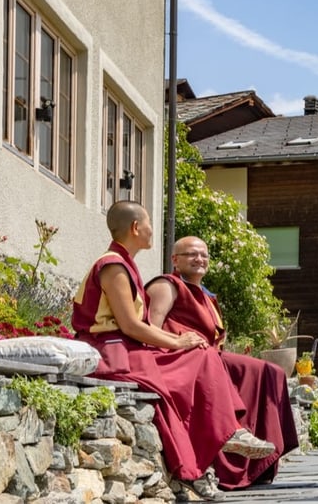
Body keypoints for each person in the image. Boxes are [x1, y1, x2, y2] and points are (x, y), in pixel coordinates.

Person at [71, 201, 274, 502]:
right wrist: (176, 341)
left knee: (201, 356)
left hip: (129, 349)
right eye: (150, 222)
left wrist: (184, 342)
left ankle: (225, 437)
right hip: (112, 352)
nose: (154, 228)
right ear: (136, 228)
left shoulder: (124, 262)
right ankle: (204, 461)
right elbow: (129, 324)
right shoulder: (112, 265)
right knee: (178, 384)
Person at [145, 236, 299, 490]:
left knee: (269, 371)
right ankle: (233, 432)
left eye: (204, 255)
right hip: (178, 357)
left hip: (206, 356)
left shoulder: (205, 296)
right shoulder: (167, 286)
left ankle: (260, 462)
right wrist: (179, 342)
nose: (200, 259)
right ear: (175, 260)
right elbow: (151, 327)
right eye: (192, 254)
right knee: (230, 365)